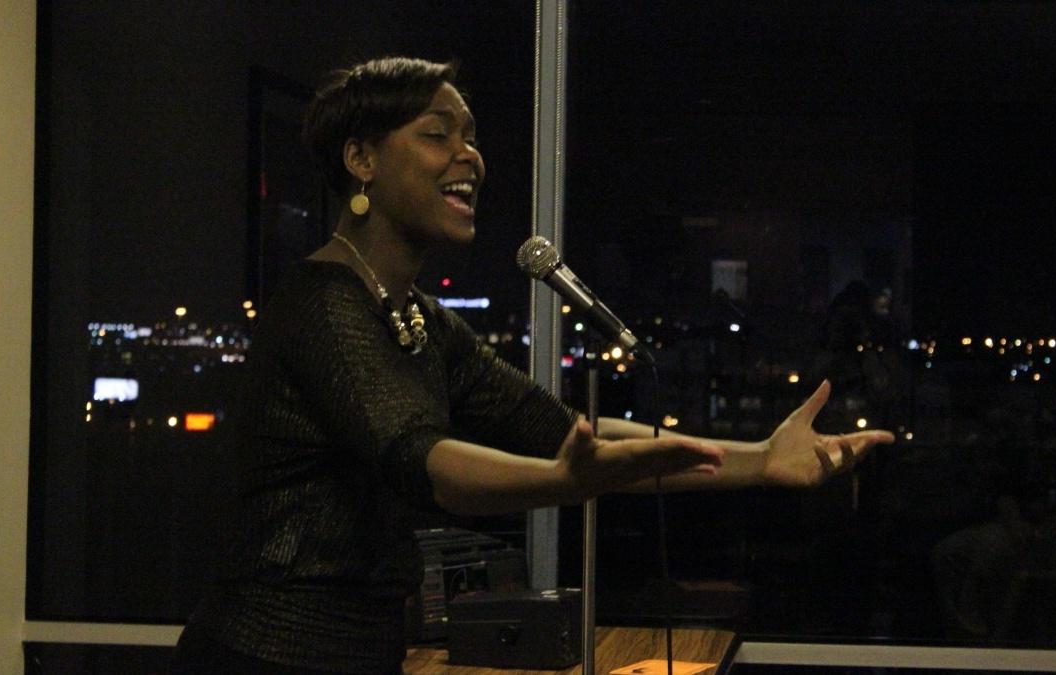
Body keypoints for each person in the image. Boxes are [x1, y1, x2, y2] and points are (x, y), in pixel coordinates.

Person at [171, 56, 895, 674]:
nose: (470, 156)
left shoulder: (420, 315)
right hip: (261, 655)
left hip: (359, 654)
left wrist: (760, 460)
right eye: (437, 134)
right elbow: (428, 461)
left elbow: (563, 429)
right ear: (361, 159)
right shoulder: (324, 304)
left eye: (473, 138)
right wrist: (559, 483)